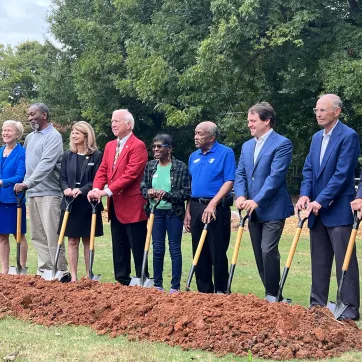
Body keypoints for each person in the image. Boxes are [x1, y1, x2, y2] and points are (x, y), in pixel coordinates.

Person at [296, 94, 360, 321]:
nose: (319, 114)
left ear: (337, 112)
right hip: (316, 211)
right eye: (317, 110)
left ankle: (350, 308)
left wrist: (319, 200)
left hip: (339, 209)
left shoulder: (348, 136)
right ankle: (317, 306)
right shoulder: (315, 138)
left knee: (345, 261)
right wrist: (304, 195)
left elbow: (342, 175)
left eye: (323, 110)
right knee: (319, 261)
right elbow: (308, 171)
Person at [234, 102, 294, 297]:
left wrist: (256, 200)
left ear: (266, 121)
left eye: (253, 121)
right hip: (253, 210)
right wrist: (241, 195)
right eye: (249, 121)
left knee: (268, 250)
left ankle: (273, 296)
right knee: (259, 255)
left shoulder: (282, 143)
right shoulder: (247, 145)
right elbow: (241, 173)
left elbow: (275, 177)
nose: (249, 125)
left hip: (273, 208)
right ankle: (272, 294)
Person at [88, 109, 148, 285]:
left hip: (133, 204)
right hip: (116, 205)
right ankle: (122, 281)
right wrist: (96, 188)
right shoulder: (109, 146)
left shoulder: (138, 146)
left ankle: (142, 279)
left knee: (137, 245)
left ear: (129, 125)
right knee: (119, 244)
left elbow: (130, 174)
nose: (113, 124)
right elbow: (103, 170)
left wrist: (106, 192)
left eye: (117, 121)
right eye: (112, 120)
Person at [14, 102, 67, 275]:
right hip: (32, 193)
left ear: (44, 115)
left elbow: (46, 164)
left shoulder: (53, 136)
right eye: (28, 115)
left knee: (52, 235)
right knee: (37, 236)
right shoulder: (30, 138)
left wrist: (28, 183)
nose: (29, 118)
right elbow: (27, 164)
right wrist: (24, 184)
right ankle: (45, 270)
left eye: (33, 114)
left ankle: (60, 271)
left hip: (50, 193)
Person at [184, 121, 235, 293]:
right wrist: (188, 211)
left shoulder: (225, 153)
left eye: (200, 134)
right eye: (195, 133)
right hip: (196, 206)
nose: (196, 137)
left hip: (216, 207)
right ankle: (203, 291)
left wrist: (213, 203)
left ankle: (221, 291)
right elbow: (191, 186)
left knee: (217, 250)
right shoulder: (194, 156)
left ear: (212, 137)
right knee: (199, 250)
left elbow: (229, 181)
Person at [140, 134, 191, 293]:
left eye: (159, 146)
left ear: (169, 148)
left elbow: (185, 192)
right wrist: (149, 192)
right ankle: (158, 285)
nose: (155, 149)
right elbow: (143, 187)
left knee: (174, 249)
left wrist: (167, 195)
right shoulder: (150, 166)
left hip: (173, 213)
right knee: (158, 248)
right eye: (154, 146)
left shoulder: (180, 166)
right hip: (156, 213)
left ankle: (175, 287)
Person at [58, 121, 104, 281]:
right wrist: (66, 189)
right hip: (70, 203)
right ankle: (74, 277)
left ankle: (88, 275)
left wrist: (83, 190)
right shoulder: (67, 155)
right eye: (72, 132)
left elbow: (98, 179)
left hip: (88, 203)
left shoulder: (97, 156)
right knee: (71, 240)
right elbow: (62, 178)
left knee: (87, 239)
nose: (73, 135)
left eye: (77, 132)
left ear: (87, 135)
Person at [0, 120, 28, 274]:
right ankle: (4, 271)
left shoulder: (22, 152)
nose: (5, 133)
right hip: (0, 199)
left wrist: (3, 182)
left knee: (18, 234)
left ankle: (21, 268)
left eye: (9, 130)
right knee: (1, 236)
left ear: (17, 134)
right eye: (4, 130)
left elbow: (20, 175)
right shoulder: (0, 151)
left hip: (14, 199)